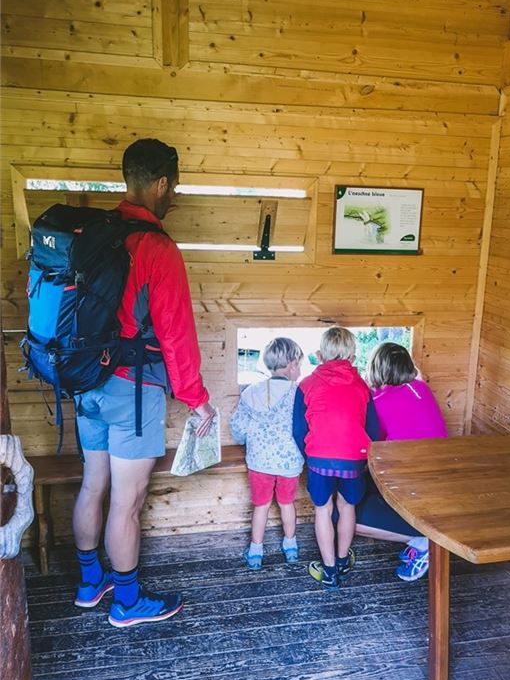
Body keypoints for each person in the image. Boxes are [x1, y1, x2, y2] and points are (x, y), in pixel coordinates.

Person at [72, 138, 215, 628]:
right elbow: (176, 334)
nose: (173, 195)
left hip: (85, 380)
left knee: (94, 484)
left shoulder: (97, 234)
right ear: (159, 183)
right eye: (173, 186)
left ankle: (91, 584)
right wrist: (197, 400)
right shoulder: (156, 247)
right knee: (127, 502)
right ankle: (128, 602)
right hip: (132, 391)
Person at [293, 327, 379, 589]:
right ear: (352, 357)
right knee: (346, 507)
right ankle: (343, 560)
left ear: (320, 355)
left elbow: (298, 429)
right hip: (353, 458)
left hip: (318, 457)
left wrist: (309, 457)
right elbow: (373, 429)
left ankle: (329, 571)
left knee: (323, 509)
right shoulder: (363, 387)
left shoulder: (306, 384)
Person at [355, 342, 447, 582]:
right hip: (439, 483)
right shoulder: (420, 387)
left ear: (377, 369)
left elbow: (369, 443)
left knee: (347, 518)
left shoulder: (378, 402)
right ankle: (420, 535)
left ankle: (423, 540)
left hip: (415, 490)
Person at [229, 337, 305, 570]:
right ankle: (290, 547)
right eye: (299, 364)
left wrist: (245, 441)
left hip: (259, 462)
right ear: (292, 364)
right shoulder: (299, 393)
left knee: (260, 506)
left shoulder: (251, 392)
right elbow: (305, 426)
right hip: (289, 462)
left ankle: (255, 552)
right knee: (287, 504)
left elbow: (238, 429)